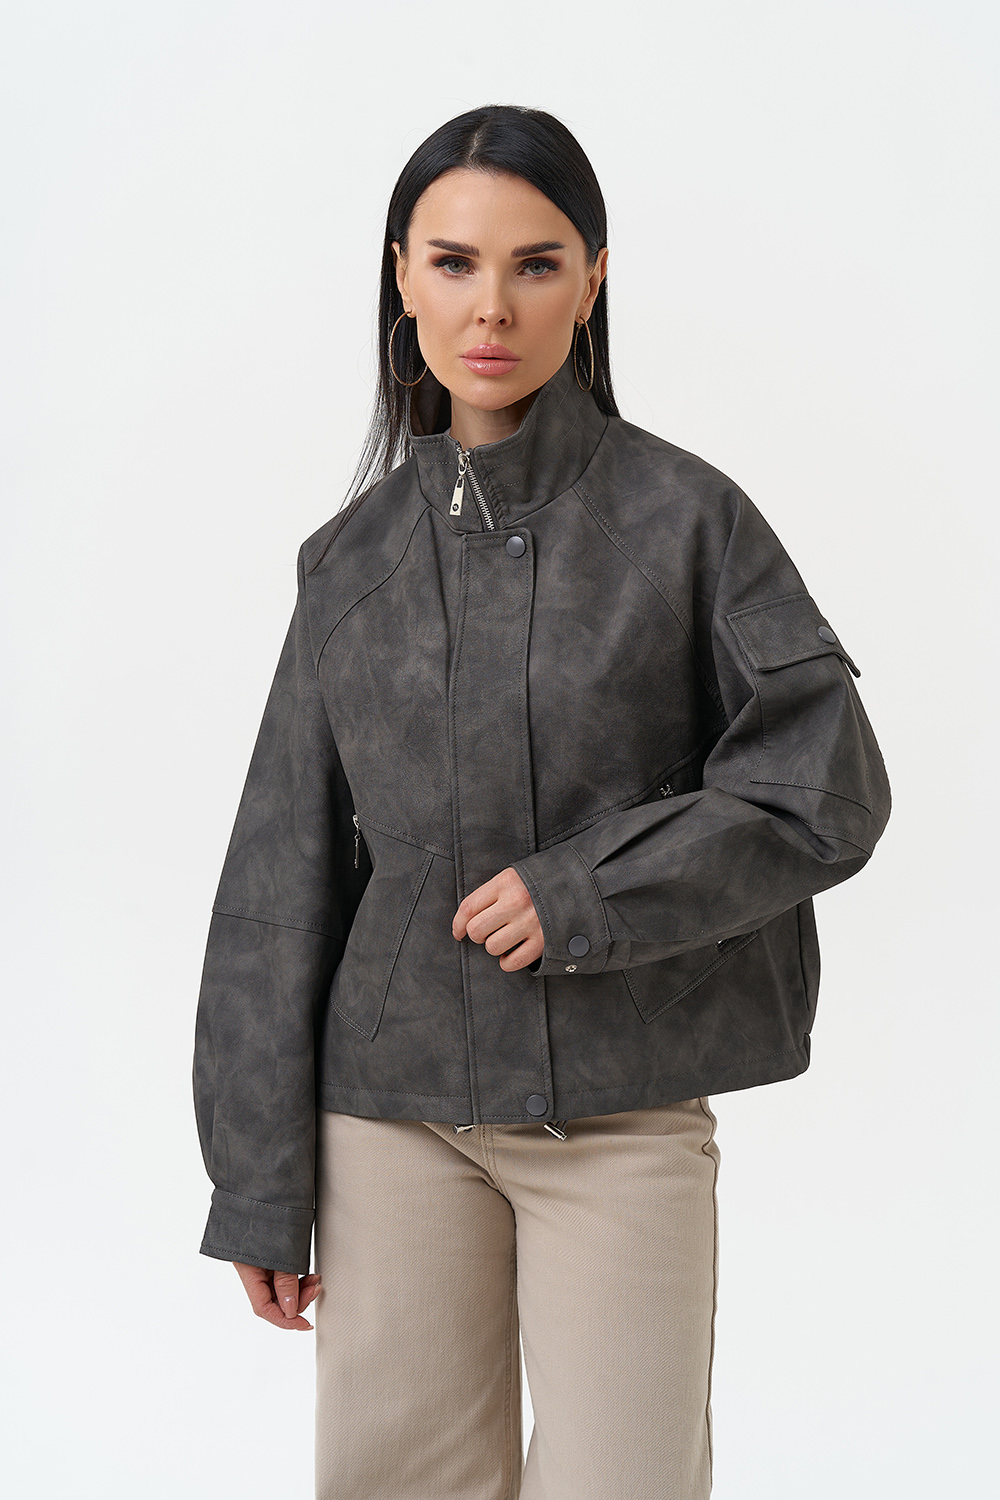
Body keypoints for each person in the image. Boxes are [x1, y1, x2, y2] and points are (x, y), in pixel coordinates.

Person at [192, 104, 891, 1500]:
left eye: (537, 264)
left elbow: (826, 783)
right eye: (454, 263)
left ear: (594, 278)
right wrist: (258, 1179)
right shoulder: (348, 564)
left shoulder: (688, 521)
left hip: (622, 1115)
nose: (492, 308)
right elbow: (279, 880)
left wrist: (587, 892)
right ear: (402, 276)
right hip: (390, 1115)